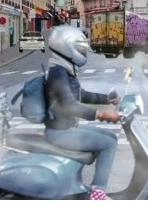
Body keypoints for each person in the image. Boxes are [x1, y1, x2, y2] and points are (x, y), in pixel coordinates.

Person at [42, 25, 120, 201]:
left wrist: (108, 99)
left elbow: (81, 94)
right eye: (80, 49)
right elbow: (69, 105)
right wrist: (101, 114)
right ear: (66, 47)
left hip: (66, 129)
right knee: (108, 143)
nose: (83, 53)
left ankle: (87, 189)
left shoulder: (63, 69)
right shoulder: (58, 72)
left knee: (112, 138)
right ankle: (97, 191)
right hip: (61, 133)